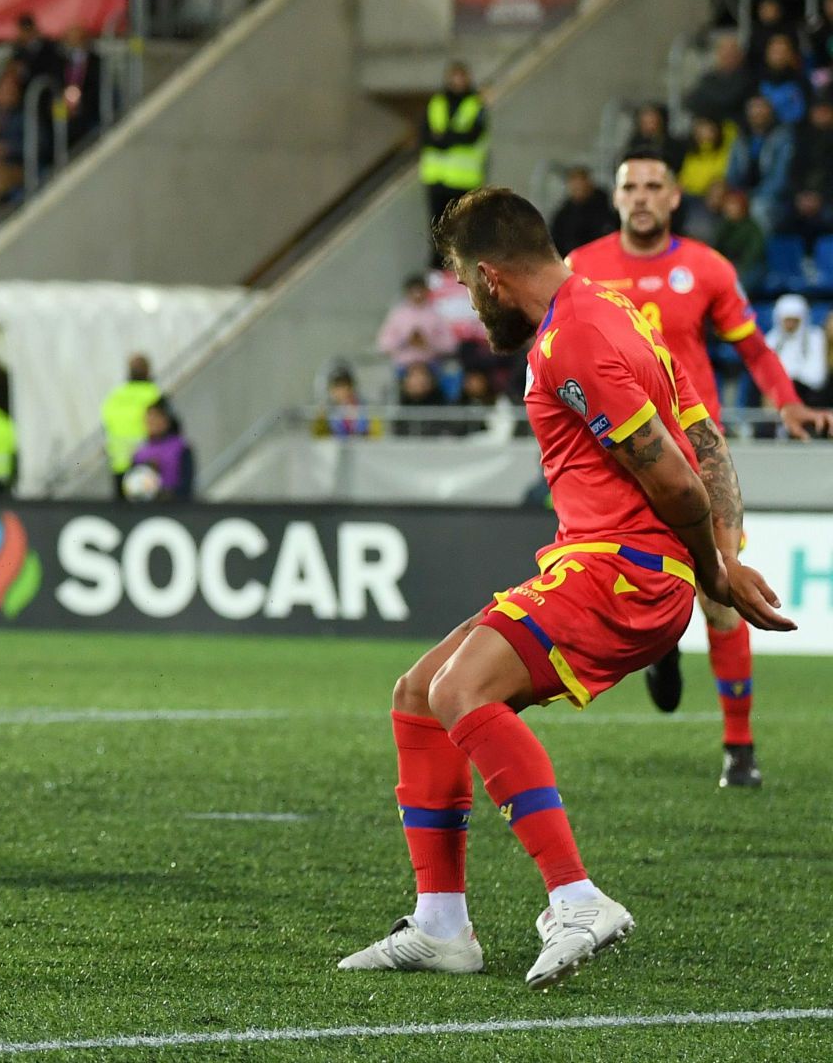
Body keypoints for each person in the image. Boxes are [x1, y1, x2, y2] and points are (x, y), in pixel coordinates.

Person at [340, 186, 793, 988]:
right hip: (601, 563)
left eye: (467, 286)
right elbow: (703, 431)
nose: (474, 308)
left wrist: (715, 568)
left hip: (625, 571)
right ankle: (442, 924)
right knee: (418, 694)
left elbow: (681, 481)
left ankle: (577, 896)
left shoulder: (571, 342)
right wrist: (723, 551)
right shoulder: (613, 308)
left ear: (491, 277)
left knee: (462, 691)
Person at [565, 153, 833, 782]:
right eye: (630, 185)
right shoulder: (582, 269)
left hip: (694, 451)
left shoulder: (707, 268)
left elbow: (753, 346)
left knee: (722, 590)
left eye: (654, 186)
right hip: (617, 457)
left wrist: (789, 402)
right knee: (618, 586)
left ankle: (738, 749)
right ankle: (660, 651)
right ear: (616, 196)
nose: (641, 197)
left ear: (675, 198)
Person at [420, 62, 488, 232]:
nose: (458, 81)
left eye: (461, 77)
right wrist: (454, 136)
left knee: (463, 232)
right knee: (439, 232)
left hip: (465, 181)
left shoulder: (475, 104)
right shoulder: (437, 102)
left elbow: (471, 137)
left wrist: (443, 138)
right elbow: (425, 135)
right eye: (454, 77)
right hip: (437, 180)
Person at [726, 95, 793, 229]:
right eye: (753, 109)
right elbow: (732, 173)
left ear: (770, 111)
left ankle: (759, 249)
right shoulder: (741, 138)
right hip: (744, 193)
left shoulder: (782, 137)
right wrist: (735, 195)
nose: (757, 113)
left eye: (761, 108)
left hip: (775, 198)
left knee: (759, 208)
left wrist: (751, 198)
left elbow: (779, 179)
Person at [100, 354, 161, 498]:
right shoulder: (153, 394)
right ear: (148, 370)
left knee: (123, 512)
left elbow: (105, 425)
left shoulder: (115, 395)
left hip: (119, 461)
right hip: (147, 460)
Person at [770, 293, 829, 405]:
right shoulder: (771, 340)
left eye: (794, 320)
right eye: (787, 320)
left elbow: (817, 376)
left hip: (809, 396)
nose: (790, 324)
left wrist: (790, 381)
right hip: (777, 397)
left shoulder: (816, 337)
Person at [128, 401, 194, 499]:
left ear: (166, 421)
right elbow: (131, 486)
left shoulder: (180, 448)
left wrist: (167, 495)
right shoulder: (139, 453)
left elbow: (187, 483)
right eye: (149, 419)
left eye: (156, 418)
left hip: (175, 508)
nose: (152, 423)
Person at [549, 166, 617, 254]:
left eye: (580, 182)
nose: (578, 187)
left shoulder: (608, 206)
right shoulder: (563, 216)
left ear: (588, 182)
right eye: (574, 184)